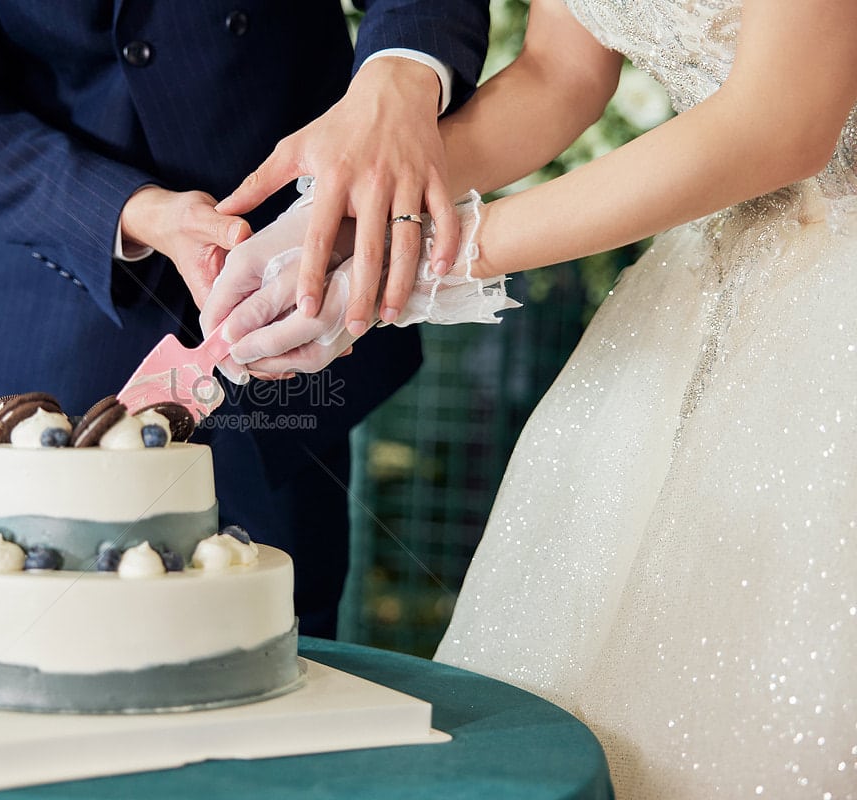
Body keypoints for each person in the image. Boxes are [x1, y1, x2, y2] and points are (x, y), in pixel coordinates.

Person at [207, 0, 857, 795]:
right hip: (718, 278)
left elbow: (781, 122)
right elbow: (560, 74)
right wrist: (336, 220)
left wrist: (427, 262)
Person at [0, 2, 491, 637]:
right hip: (39, 307)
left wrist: (397, 78)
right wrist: (133, 212)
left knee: (276, 667)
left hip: (291, 299)